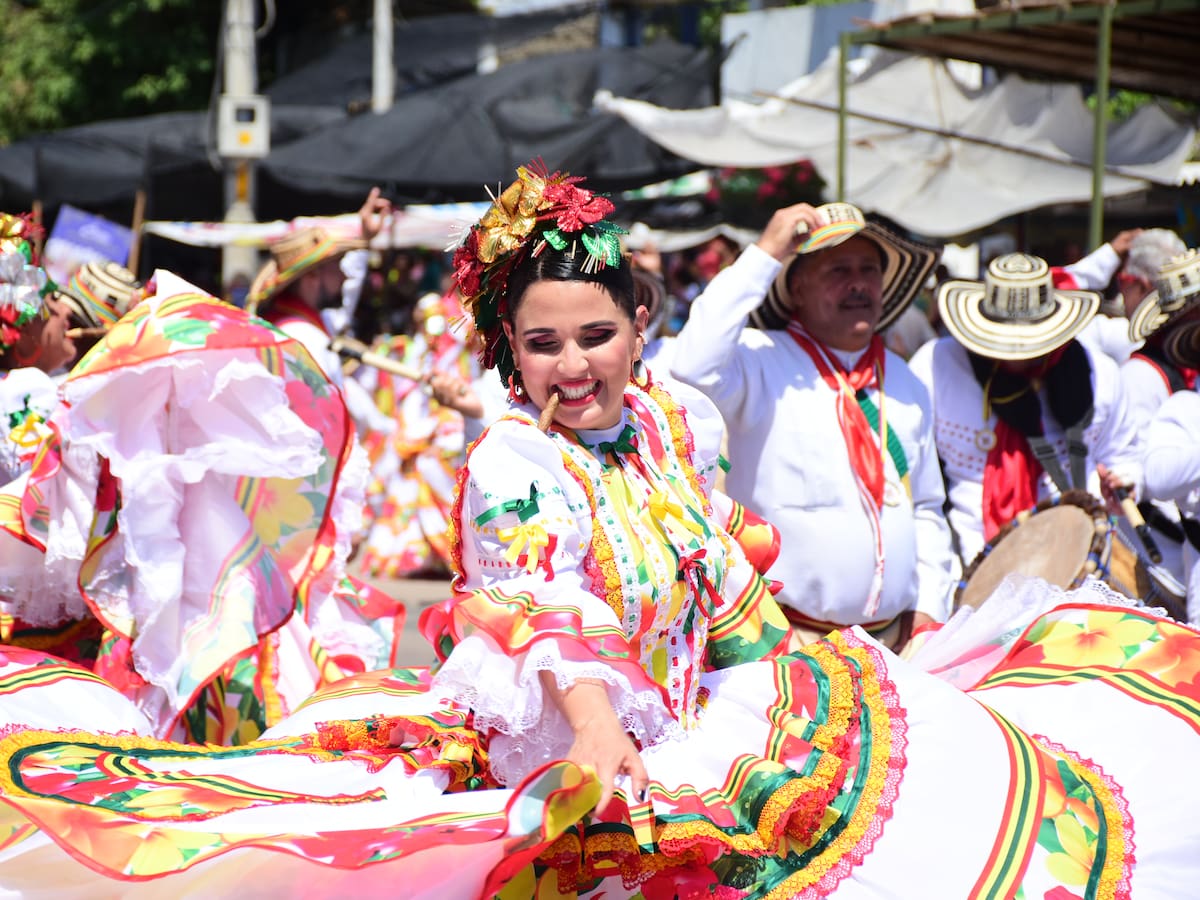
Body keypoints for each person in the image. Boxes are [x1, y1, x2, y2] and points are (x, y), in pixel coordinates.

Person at [4, 166, 1200, 899]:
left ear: (638, 324)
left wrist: (806, 689)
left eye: (594, 336)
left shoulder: (672, 430)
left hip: (691, 749)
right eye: (539, 344)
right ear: (507, 355)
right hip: (577, 782)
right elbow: (546, 611)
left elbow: (724, 585)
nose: (572, 366)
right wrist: (594, 736)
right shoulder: (516, 457)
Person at [671, 201, 955, 650]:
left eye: (868, 269)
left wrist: (931, 608)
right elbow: (690, 367)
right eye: (838, 270)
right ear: (797, 288)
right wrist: (766, 252)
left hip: (897, 642)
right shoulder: (758, 359)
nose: (859, 283)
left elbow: (925, 506)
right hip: (785, 643)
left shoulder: (904, 380)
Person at [909, 252, 1142, 569]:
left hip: (1082, 566)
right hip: (969, 566)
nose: (1017, 355)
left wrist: (1126, 482)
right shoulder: (935, 366)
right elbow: (911, 478)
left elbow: (1122, 455)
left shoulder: (1098, 373)